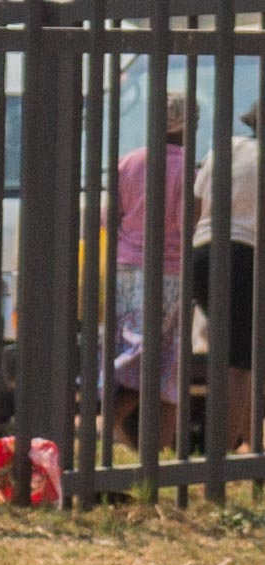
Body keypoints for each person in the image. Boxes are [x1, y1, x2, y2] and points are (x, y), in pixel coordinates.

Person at [112, 92, 197, 450]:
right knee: (162, 361)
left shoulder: (129, 162)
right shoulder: (187, 171)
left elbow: (110, 213)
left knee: (134, 351)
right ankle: (104, 431)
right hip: (171, 274)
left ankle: (137, 446)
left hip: (127, 269)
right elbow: (187, 224)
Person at [190, 100, 259, 452]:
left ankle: (256, 452)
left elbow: (197, 203)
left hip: (202, 252)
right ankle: (216, 465)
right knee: (239, 368)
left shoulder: (227, 147)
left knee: (236, 360)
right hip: (244, 258)